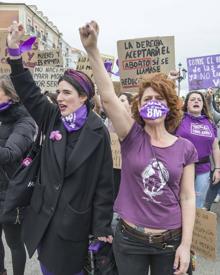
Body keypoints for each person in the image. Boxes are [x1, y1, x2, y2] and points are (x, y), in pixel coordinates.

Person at [79, 21, 198, 275]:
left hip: (170, 242)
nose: (153, 103)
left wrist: (186, 246)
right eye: (147, 99)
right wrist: (92, 50)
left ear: (170, 106)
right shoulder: (131, 136)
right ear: (139, 107)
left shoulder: (186, 148)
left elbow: (188, 197)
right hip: (130, 240)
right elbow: (109, 97)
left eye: (159, 99)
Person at [6, 21, 114, 275]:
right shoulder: (52, 117)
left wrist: (101, 227)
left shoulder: (98, 132)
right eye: (58, 92)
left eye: (66, 93)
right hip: (44, 218)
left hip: (74, 224)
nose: (60, 98)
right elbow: (29, 90)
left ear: (83, 96)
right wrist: (14, 53)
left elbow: (103, 184)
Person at [0, 74, 35, 275]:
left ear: (11, 96)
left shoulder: (25, 121)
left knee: (14, 243)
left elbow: (10, 154)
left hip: (11, 194)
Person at [176, 91, 220, 208]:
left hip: (203, 169)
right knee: (180, 200)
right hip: (181, 167)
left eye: (199, 100)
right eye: (193, 99)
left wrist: (217, 168)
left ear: (203, 104)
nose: (196, 101)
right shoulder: (179, 119)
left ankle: (194, 225)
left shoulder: (210, 122)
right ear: (187, 104)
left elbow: (215, 148)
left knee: (198, 202)